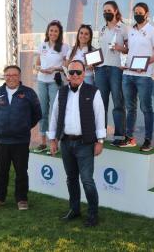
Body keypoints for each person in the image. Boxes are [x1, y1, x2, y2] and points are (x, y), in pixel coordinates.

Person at [48, 60, 106, 227]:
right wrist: (53, 139)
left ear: (84, 74)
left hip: (85, 143)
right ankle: (74, 210)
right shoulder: (62, 92)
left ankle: (93, 214)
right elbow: (55, 116)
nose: (74, 75)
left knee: (87, 180)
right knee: (71, 179)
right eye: (71, 72)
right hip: (66, 142)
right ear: (67, 74)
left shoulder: (93, 92)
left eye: (78, 72)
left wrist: (100, 141)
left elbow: (100, 117)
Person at [0, 65, 42, 210]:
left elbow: (37, 114)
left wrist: (23, 126)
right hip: (1, 141)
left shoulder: (29, 93)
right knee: (1, 172)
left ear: (19, 76)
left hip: (21, 141)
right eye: (8, 75)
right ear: (4, 77)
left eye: (14, 75)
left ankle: (22, 199)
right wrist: (1, 126)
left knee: (21, 172)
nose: (11, 78)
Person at [121, 2, 154, 151]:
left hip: (144, 76)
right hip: (128, 74)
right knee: (130, 108)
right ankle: (129, 138)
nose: (137, 15)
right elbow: (129, 50)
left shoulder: (153, 31)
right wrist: (122, 52)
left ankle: (147, 140)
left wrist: (146, 64)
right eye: (135, 12)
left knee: (146, 108)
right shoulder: (130, 30)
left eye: (140, 12)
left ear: (146, 14)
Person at [95, 1, 128, 146]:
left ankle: (120, 136)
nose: (106, 12)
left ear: (115, 11)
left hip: (116, 69)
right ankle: (100, 135)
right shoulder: (102, 29)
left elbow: (129, 49)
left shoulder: (123, 28)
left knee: (118, 102)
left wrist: (120, 47)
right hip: (101, 69)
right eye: (104, 10)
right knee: (101, 104)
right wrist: (93, 61)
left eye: (108, 10)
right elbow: (100, 50)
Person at [34, 20, 70, 153]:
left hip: (55, 82)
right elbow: (37, 63)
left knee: (54, 113)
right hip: (42, 81)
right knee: (43, 111)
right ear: (48, 32)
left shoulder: (64, 47)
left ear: (59, 33)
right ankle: (43, 142)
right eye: (51, 30)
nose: (53, 33)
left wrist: (55, 68)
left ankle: (54, 143)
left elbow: (66, 67)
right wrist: (39, 68)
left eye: (56, 31)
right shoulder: (42, 45)